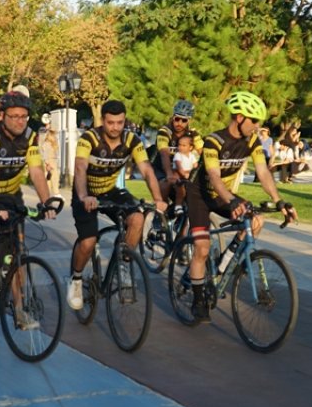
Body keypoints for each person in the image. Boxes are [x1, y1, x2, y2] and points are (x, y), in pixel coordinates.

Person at [188, 91, 297, 322]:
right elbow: (214, 177)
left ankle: (223, 265)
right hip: (200, 194)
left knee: (257, 221)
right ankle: (198, 301)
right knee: (202, 248)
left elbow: (263, 172)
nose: (258, 126)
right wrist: (233, 200)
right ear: (239, 117)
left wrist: (279, 201)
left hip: (223, 195)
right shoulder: (213, 141)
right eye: (254, 121)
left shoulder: (252, 141)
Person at [67, 99, 168, 310]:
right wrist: (84, 196)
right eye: (110, 122)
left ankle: (124, 262)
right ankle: (76, 279)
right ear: (102, 121)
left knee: (138, 218)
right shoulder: (89, 139)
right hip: (85, 193)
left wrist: (158, 199)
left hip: (110, 191)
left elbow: (147, 170)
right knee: (88, 242)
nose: (115, 127)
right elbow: (80, 168)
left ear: (124, 121)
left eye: (120, 122)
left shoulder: (132, 140)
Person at [0, 91, 55, 293]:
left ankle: (19, 310)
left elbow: (36, 170)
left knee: (16, 252)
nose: (20, 121)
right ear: (2, 115)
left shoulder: (30, 136)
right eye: (14, 116)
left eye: (23, 116)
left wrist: (47, 202)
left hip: (11, 191)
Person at [153, 100, 200, 188]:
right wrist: (169, 174)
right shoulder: (165, 131)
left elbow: (202, 151)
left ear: (189, 121)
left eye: (184, 120)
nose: (179, 123)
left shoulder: (192, 133)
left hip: (179, 171)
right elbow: (164, 154)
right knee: (166, 184)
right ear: (173, 117)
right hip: (160, 168)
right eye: (177, 119)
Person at [38, 114, 60, 195]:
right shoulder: (43, 134)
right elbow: (42, 148)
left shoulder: (53, 139)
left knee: (52, 177)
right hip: (47, 159)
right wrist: (47, 162)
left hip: (53, 159)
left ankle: (52, 193)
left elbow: (56, 130)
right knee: (49, 177)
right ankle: (51, 193)